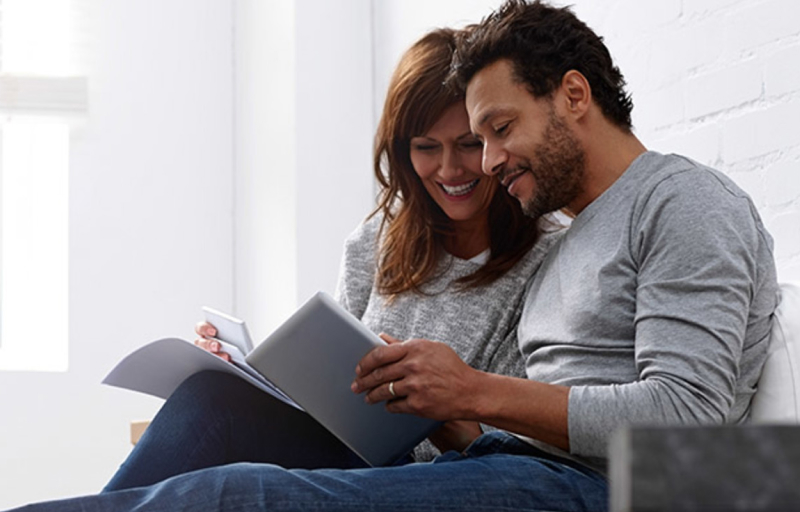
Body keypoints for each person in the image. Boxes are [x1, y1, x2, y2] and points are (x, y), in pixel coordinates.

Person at [5, 1, 778, 511]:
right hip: (508, 466)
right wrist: (437, 408)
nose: (488, 161)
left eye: (497, 131)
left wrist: (471, 390)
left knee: (234, 498)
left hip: (591, 491)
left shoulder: (685, 202)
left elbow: (691, 426)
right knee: (220, 416)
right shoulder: (582, 233)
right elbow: (525, 422)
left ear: (574, 94)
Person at [68, 27, 557, 496]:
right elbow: (333, 399)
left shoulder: (544, 261)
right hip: (348, 455)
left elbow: (529, 456)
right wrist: (249, 374)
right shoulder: (377, 242)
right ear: (403, 153)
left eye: (468, 145)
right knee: (211, 394)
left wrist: (451, 418)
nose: (450, 170)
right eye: (427, 148)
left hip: (441, 477)